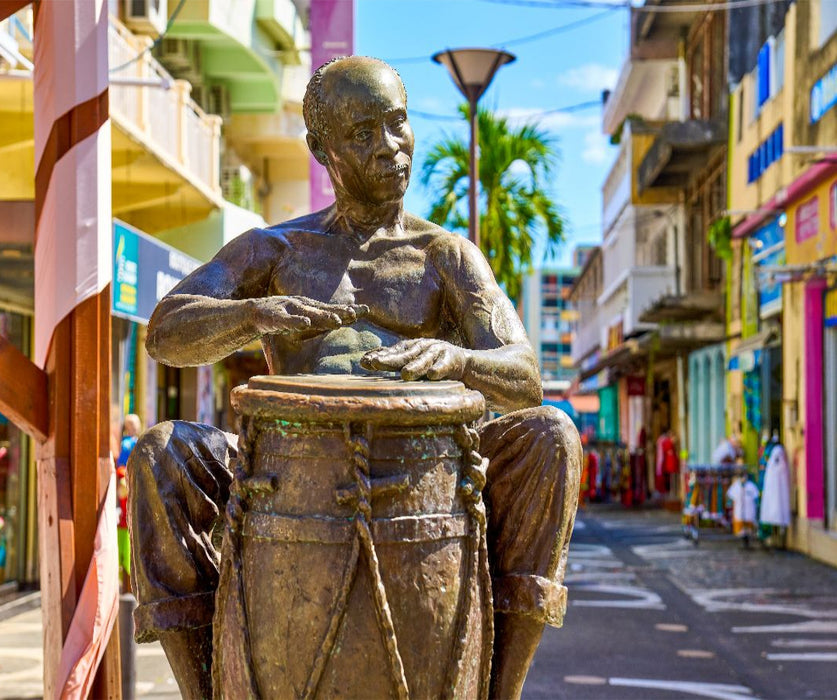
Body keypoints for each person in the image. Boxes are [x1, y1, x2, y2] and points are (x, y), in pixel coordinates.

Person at [128, 55, 581, 700]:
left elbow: (524, 374)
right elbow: (165, 330)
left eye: (397, 125)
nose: (390, 149)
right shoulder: (276, 250)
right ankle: (204, 688)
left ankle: (499, 687)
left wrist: (457, 360)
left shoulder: (445, 256)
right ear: (322, 149)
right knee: (160, 454)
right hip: (288, 474)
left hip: (426, 475)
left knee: (552, 437)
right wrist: (255, 313)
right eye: (363, 134)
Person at [117, 413, 141, 594]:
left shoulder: (136, 443)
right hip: (125, 513)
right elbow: (121, 472)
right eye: (130, 425)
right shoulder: (127, 444)